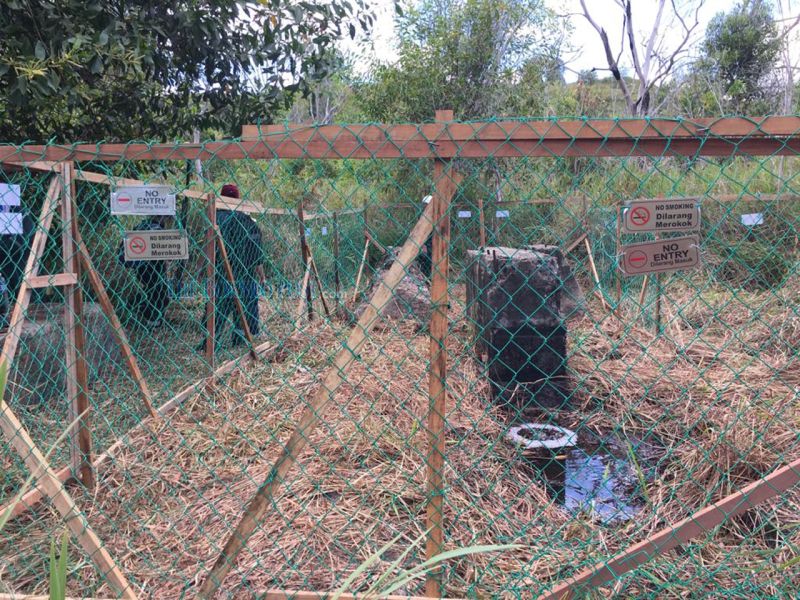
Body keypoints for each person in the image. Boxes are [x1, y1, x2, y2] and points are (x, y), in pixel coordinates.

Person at [213, 184, 266, 347]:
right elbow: (256, 253)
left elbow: (206, 246)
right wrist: (262, 276)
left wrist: (202, 268)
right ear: (237, 199)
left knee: (219, 306)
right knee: (245, 305)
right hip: (246, 272)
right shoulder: (248, 222)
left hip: (220, 271)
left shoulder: (214, 219)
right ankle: (240, 337)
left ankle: (212, 339)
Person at [119, 215, 171, 328]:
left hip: (142, 266)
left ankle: (147, 314)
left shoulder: (141, 225)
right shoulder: (154, 228)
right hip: (151, 266)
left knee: (153, 290)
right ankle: (152, 320)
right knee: (157, 291)